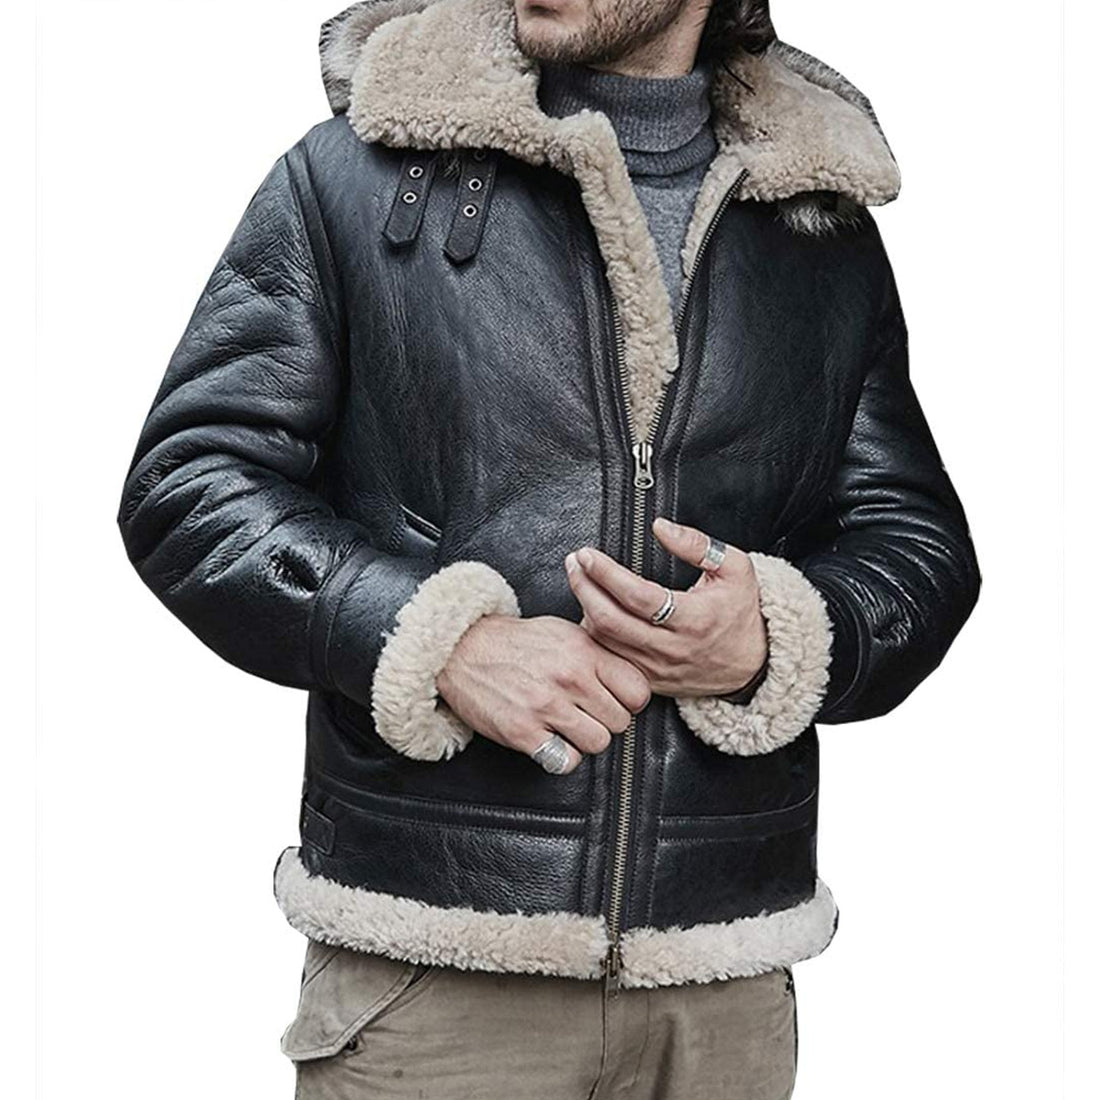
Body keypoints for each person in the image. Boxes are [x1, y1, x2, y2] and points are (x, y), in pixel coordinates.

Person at [116, 1, 982, 1096]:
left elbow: (917, 543)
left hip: (721, 987)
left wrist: (778, 634)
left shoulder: (817, 221)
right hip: (435, 967)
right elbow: (189, 485)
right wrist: (435, 641)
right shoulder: (350, 177)